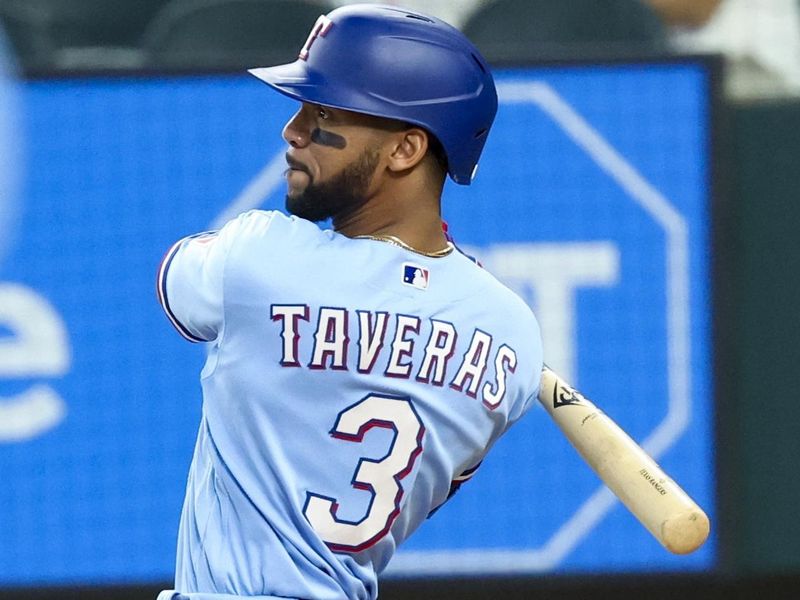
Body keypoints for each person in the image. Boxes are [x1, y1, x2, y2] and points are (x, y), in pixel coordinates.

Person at [156, 4, 542, 599]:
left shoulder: (261, 256)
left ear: (406, 149)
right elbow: (451, 471)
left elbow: (176, 282)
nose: (294, 130)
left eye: (325, 112)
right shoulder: (511, 331)